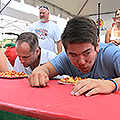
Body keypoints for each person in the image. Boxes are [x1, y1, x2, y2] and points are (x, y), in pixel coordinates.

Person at [28, 16, 120, 97]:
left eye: (86, 53)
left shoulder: (112, 55)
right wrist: (38, 73)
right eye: (73, 55)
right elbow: (45, 69)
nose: (81, 62)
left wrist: (111, 84)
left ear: (97, 45)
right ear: (67, 52)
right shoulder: (65, 57)